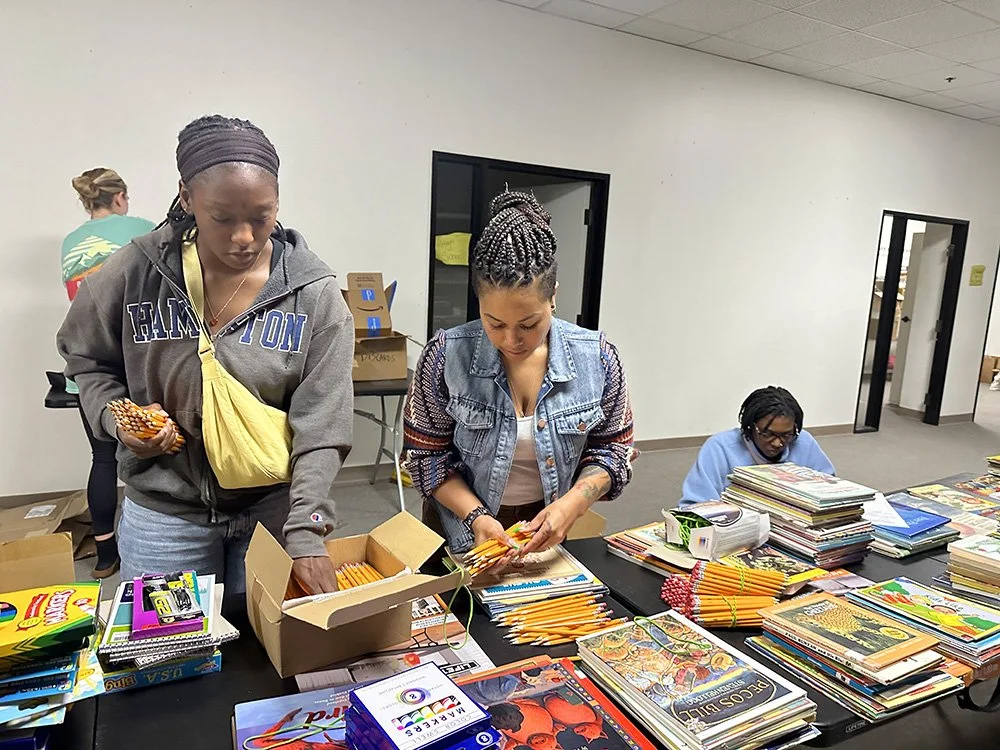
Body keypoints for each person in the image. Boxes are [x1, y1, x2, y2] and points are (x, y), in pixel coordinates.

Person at [58, 116, 355, 595]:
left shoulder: (313, 294)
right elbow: (87, 360)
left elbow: (323, 426)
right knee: (169, 641)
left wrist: (308, 529)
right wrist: (119, 420)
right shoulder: (136, 273)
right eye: (222, 218)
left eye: (261, 216)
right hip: (165, 516)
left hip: (273, 512)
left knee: (265, 639)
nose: (244, 237)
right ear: (186, 197)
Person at [403, 190, 634, 557]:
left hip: (546, 534)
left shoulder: (599, 358)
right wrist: (477, 517)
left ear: (553, 296)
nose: (511, 340)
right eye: (494, 323)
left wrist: (572, 504)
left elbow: (613, 451)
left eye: (529, 324)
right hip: (461, 531)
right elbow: (424, 459)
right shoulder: (445, 356)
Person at [61, 168, 156, 579]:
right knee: (155, 457)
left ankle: (105, 556)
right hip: (136, 366)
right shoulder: (143, 230)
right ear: (120, 197)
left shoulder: (70, 243)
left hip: (88, 369)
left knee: (102, 458)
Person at [680, 386, 835, 506]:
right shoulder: (719, 448)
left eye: (786, 435)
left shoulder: (803, 442)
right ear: (750, 426)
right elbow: (695, 506)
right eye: (767, 434)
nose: (778, 443)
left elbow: (830, 491)